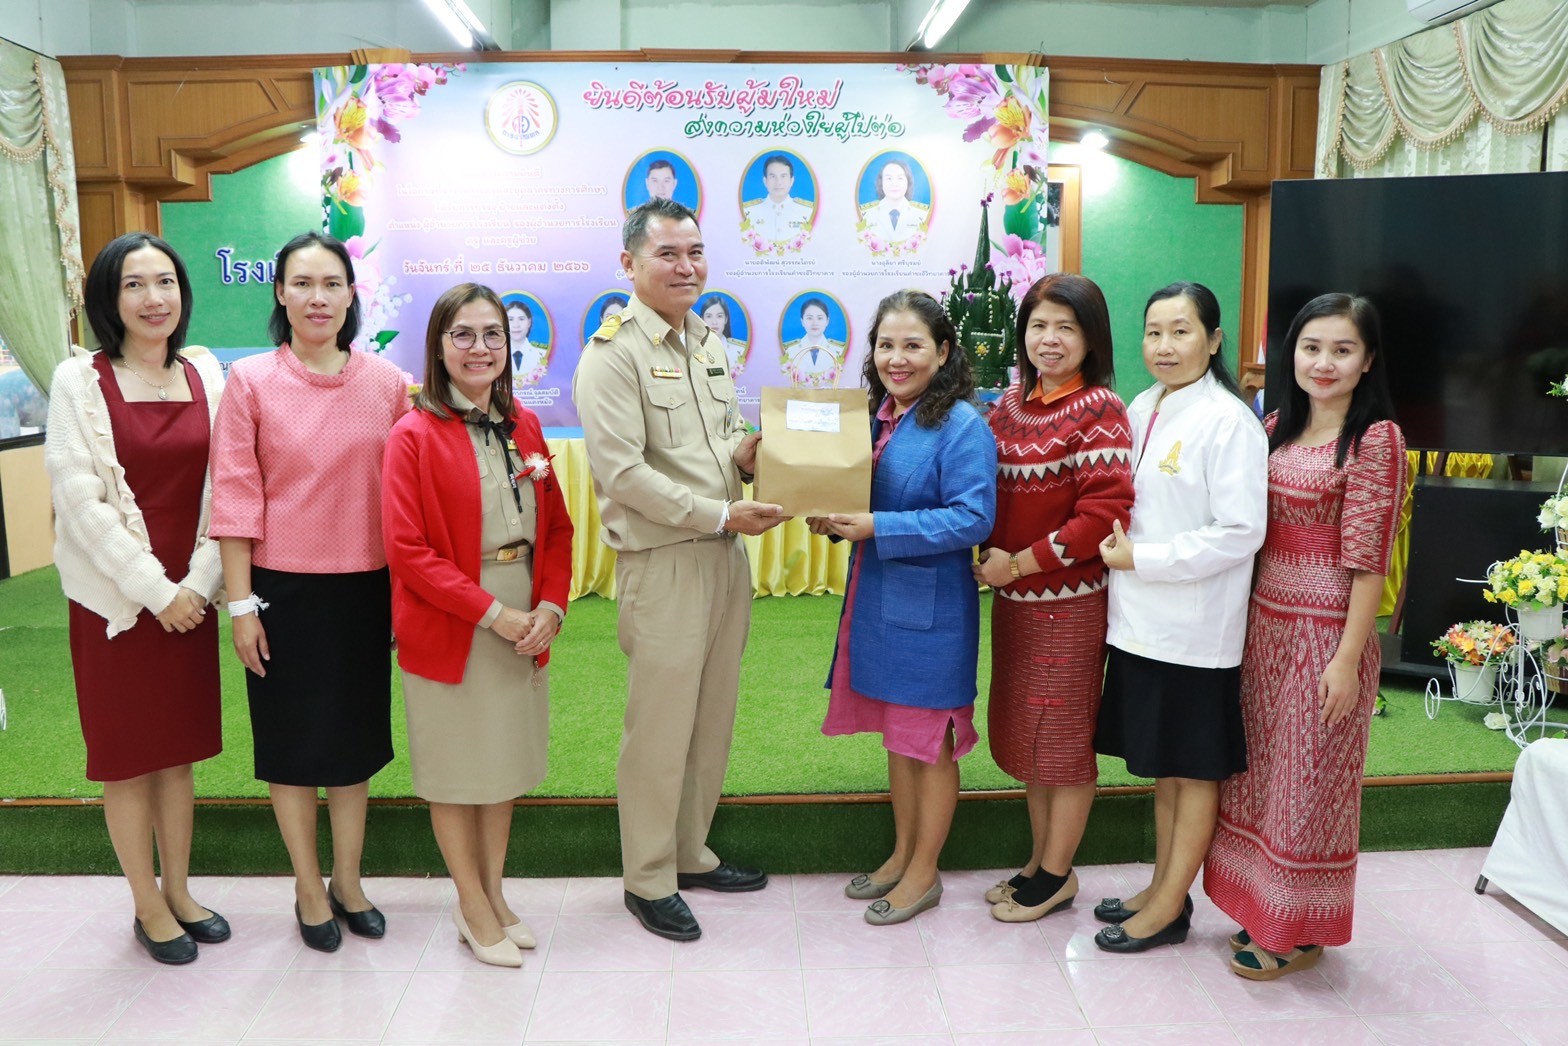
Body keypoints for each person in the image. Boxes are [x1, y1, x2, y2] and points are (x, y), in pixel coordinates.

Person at [572, 198, 788, 942]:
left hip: (724, 555)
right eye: (667, 253)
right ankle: (648, 878)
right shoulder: (611, 354)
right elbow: (624, 474)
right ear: (629, 264)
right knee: (660, 729)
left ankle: (690, 852)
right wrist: (720, 513)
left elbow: (720, 440)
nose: (686, 266)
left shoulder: (708, 341)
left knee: (710, 718)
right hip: (663, 561)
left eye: (694, 252)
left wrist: (751, 454)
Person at [209, 231, 409, 953]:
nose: (317, 297)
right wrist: (241, 607)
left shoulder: (386, 384)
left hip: (366, 590)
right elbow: (236, 498)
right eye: (303, 283)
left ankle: (349, 881)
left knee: (354, 746)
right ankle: (306, 886)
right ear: (280, 293)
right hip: (280, 594)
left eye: (331, 284)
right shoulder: (250, 381)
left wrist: (403, 598)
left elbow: (404, 501)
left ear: (352, 294)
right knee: (292, 748)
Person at [1204, 294, 1405, 980]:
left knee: (1308, 782)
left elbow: (1370, 561)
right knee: (1260, 775)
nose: (1324, 362)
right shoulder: (1273, 427)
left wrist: (1348, 660)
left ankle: (1296, 931)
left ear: (1367, 360)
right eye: (1311, 347)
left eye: (1343, 350)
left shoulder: (1376, 439)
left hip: (1326, 634)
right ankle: (1259, 908)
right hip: (1263, 627)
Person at [45, 233, 229, 965]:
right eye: (133, 284)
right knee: (127, 760)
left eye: (165, 282)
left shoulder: (207, 374)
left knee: (177, 758)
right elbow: (80, 503)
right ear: (108, 297)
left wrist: (197, 586)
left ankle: (179, 891)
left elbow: (228, 489)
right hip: (118, 607)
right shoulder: (78, 380)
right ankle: (147, 905)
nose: (154, 298)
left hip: (192, 599)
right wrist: (156, 592)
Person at [383, 282, 574, 968]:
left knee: (501, 766)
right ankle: (469, 903)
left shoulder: (524, 425)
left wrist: (550, 607)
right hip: (457, 620)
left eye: (493, 333)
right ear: (438, 346)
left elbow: (558, 528)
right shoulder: (412, 435)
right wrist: (496, 615)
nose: (480, 348)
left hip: (524, 613)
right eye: (462, 334)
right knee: (456, 772)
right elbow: (407, 551)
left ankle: (493, 895)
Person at [810, 289, 997, 926]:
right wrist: (833, 519)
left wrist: (877, 527)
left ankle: (924, 873)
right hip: (879, 601)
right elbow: (856, 496)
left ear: (943, 352)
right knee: (898, 740)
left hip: (933, 613)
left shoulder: (963, 424)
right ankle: (900, 855)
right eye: (885, 345)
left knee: (928, 744)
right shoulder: (876, 418)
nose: (897, 358)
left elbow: (973, 518)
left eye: (913, 345)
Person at [1091, 281, 1268, 953]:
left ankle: (1168, 908)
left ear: (1214, 340)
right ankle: (1163, 887)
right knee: (1165, 766)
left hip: (1194, 631)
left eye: (1181, 331)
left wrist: (1145, 558)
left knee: (1192, 771)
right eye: (1154, 332)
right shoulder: (1143, 405)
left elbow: (1240, 531)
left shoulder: (1229, 421)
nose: (1164, 346)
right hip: (1140, 621)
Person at [973, 274, 1134, 922]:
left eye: (1066, 327)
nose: (1050, 339)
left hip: (1068, 604)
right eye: (1039, 325)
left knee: (1062, 744)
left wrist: (1019, 564)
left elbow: (1103, 516)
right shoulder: (1010, 405)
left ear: (1091, 338)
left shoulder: (1100, 408)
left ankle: (1057, 873)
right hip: (1014, 602)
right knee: (1032, 739)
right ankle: (1039, 864)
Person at [742, 154, 814, 243]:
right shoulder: (748, 212)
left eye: (783, 176)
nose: (778, 182)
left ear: (791, 181)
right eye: (773, 176)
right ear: (765, 181)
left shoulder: (807, 212)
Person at [859, 159, 929, 244]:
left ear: (908, 182)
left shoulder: (923, 215)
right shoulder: (865, 214)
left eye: (900, 178)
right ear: (881, 183)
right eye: (889, 178)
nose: (894, 183)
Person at [782, 297, 846, 388]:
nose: (815, 323)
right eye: (809, 318)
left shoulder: (839, 351)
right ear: (802, 321)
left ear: (827, 321)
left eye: (819, 318)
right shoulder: (789, 351)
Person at [698, 293, 750, 377]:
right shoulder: (693, 348)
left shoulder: (740, 351)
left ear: (726, 319)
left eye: (719, 316)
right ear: (702, 319)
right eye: (709, 316)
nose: (714, 322)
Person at [506, 299, 548, 381]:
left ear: (529, 322)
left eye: (521, 319)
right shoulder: (496, 356)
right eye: (510, 319)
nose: (516, 325)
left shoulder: (542, 355)